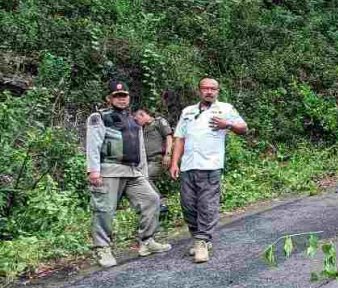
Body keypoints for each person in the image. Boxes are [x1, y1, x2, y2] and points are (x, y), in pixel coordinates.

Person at [86, 81, 172, 268]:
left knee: (151, 198)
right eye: (117, 96)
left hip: (133, 171)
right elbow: (93, 144)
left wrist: (143, 171)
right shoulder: (99, 117)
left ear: (129, 97)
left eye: (124, 95)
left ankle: (147, 241)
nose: (121, 99)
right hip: (109, 169)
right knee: (104, 210)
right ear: (109, 98)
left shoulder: (134, 120)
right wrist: (93, 170)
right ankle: (103, 249)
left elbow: (140, 147)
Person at [169, 77, 247, 263]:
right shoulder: (188, 111)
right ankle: (199, 238)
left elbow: (244, 128)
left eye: (213, 89)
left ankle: (202, 241)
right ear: (199, 91)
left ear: (218, 91)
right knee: (188, 206)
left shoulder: (225, 109)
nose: (209, 92)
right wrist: (174, 163)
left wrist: (227, 125)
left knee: (207, 205)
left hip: (210, 166)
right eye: (206, 88)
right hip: (189, 165)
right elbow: (180, 138)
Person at [133, 107, 173, 214]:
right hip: (146, 161)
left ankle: (160, 202)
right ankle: (148, 207)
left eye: (137, 120)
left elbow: (169, 137)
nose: (137, 122)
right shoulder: (141, 129)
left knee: (145, 178)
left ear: (142, 115)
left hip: (158, 159)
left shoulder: (158, 122)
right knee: (137, 180)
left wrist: (168, 154)